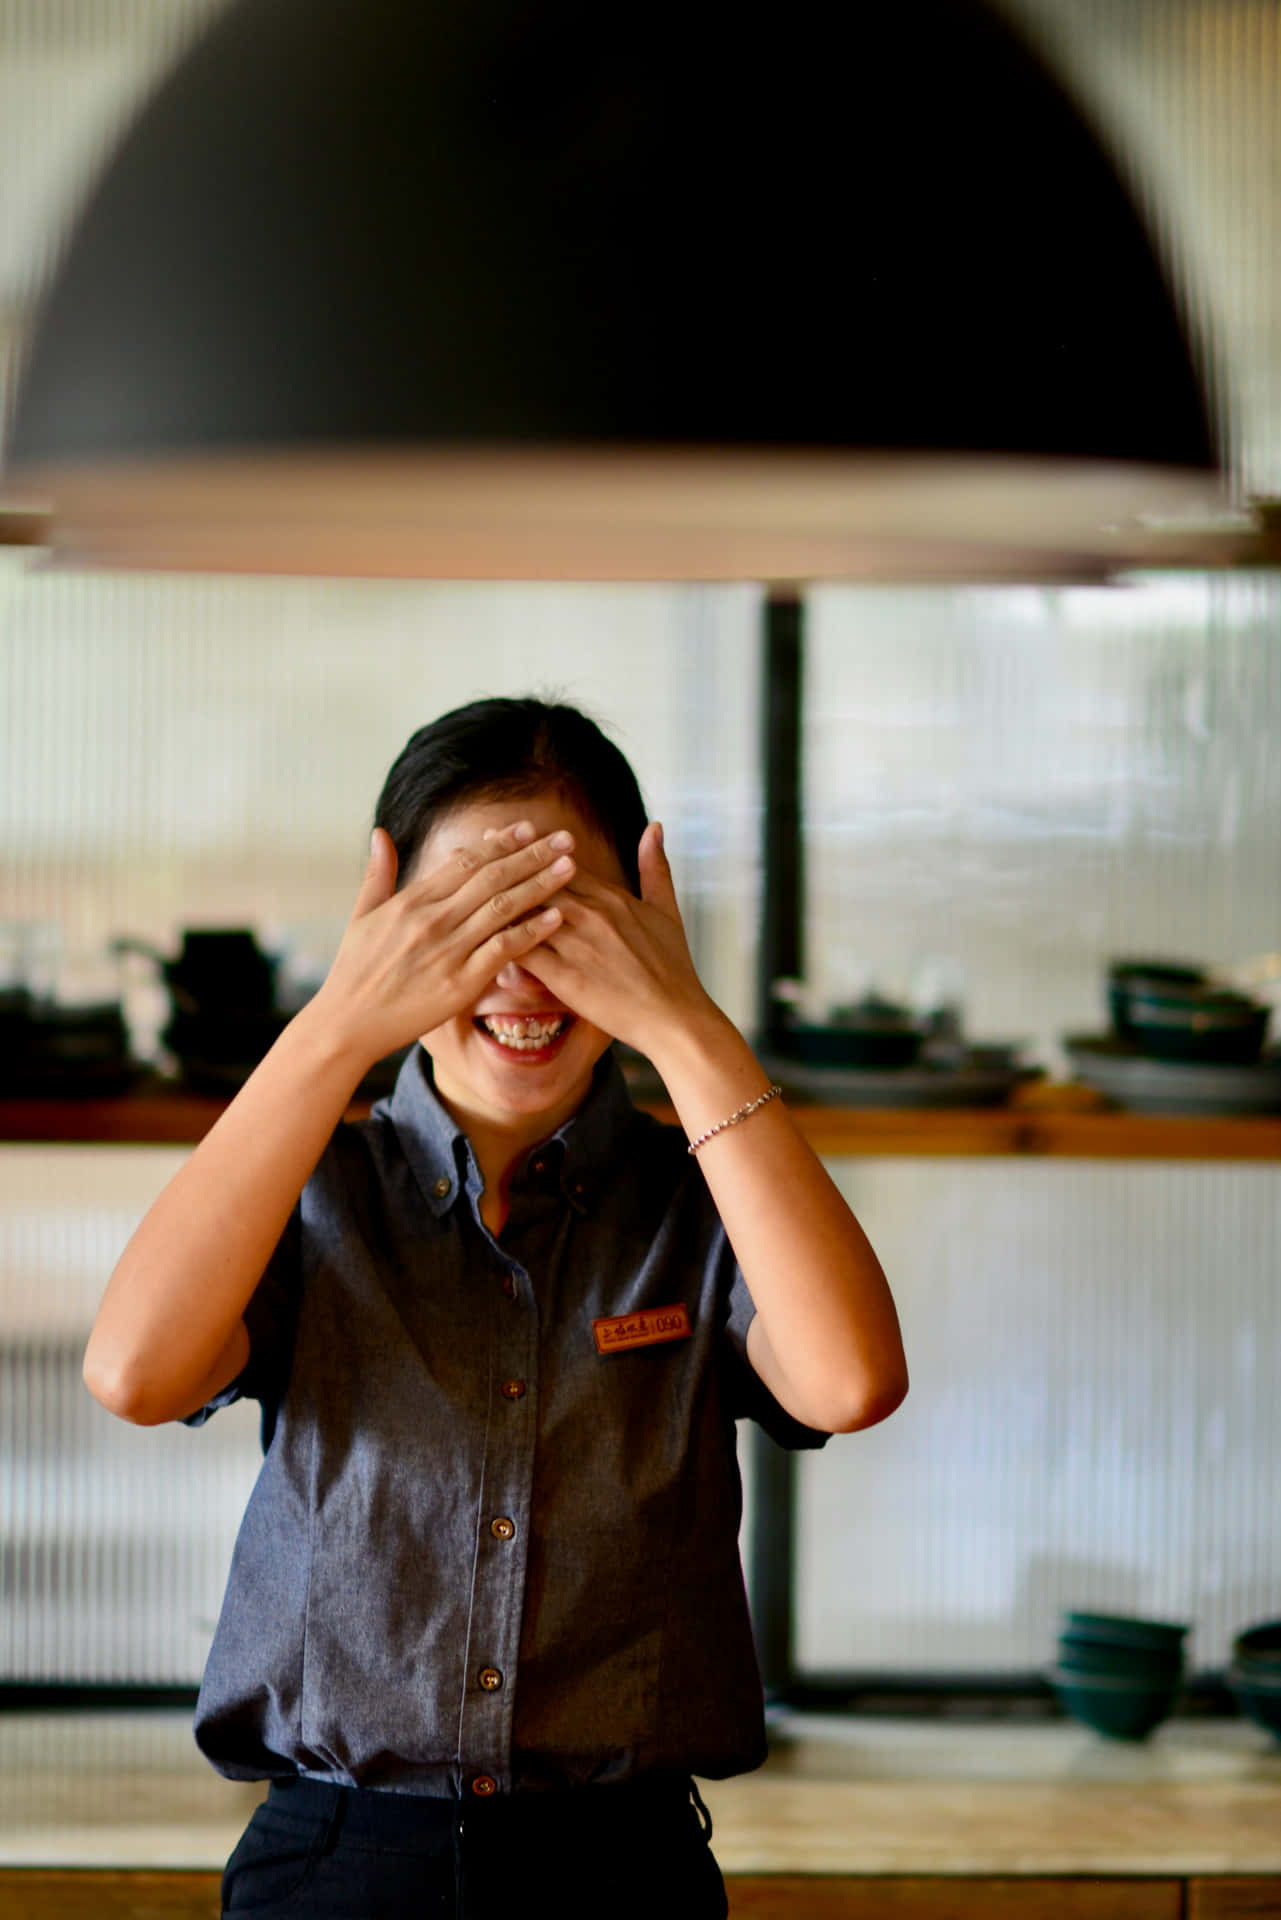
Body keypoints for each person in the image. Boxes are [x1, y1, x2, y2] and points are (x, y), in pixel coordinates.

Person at [83, 696, 908, 1920]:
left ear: (640, 921)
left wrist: (684, 1022)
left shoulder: (706, 1197)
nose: (517, 970)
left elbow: (850, 1381)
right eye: (466, 919)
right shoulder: (311, 1189)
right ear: (391, 928)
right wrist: (337, 1022)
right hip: (334, 1869)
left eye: (563, 918)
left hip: (628, 1873)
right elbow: (135, 1374)